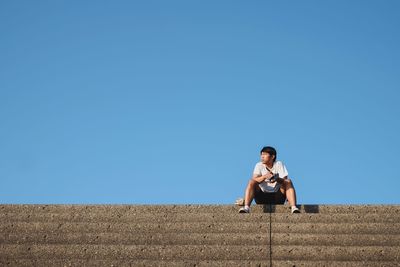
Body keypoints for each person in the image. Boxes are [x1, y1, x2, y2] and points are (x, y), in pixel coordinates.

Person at [239, 146, 300, 214]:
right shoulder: (259, 165)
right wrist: (264, 176)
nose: (262, 157)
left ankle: (293, 207)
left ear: (272, 156)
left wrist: (276, 179)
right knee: (251, 181)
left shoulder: (279, 164)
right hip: (262, 196)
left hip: (278, 196)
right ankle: (246, 208)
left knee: (288, 181)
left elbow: (284, 180)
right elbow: (254, 179)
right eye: (261, 155)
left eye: (264, 154)